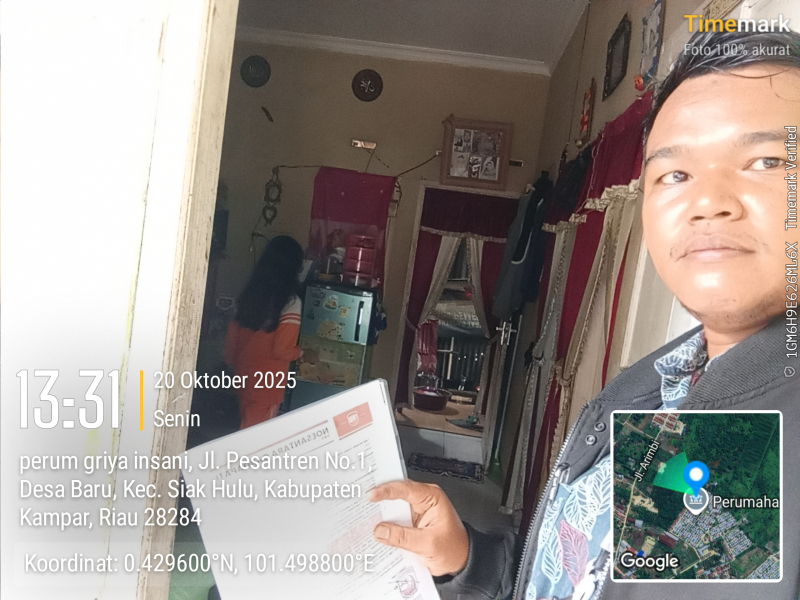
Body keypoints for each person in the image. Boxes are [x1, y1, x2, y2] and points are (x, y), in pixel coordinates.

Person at [368, 30, 800, 600]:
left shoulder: (762, 435)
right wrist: (472, 557)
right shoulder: (660, 382)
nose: (708, 201)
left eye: (767, 160)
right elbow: (582, 575)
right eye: (675, 173)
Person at [224, 235, 304, 429]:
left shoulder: (250, 295)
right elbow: (281, 350)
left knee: (242, 435)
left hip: (243, 379)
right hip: (267, 387)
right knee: (257, 442)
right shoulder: (291, 302)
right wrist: (302, 353)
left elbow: (230, 347)